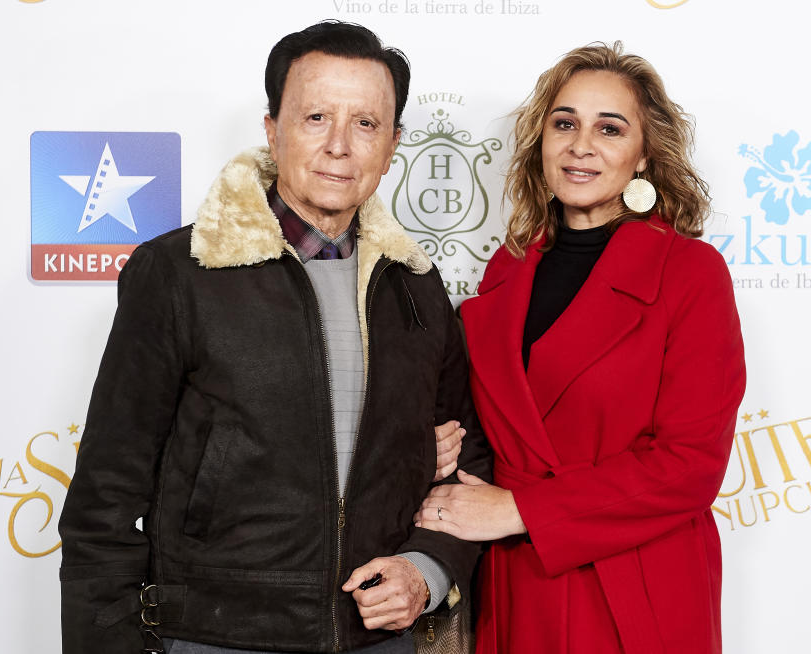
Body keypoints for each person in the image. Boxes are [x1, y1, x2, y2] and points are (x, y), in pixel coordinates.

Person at [58, 21, 489, 654]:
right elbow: (105, 495)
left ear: (393, 144)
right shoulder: (181, 273)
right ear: (272, 129)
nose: (339, 145)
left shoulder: (416, 287)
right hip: (214, 632)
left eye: (366, 124)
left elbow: (468, 461)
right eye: (316, 116)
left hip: (375, 637)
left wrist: (425, 571)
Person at [414, 43, 746, 654]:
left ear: (645, 155)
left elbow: (691, 464)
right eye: (564, 123)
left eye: (609, 128)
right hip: (519, 582)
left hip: (636, 583)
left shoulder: (689, 273)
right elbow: (483, 422)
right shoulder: (505, 272)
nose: (581, 144)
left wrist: (523, 511)